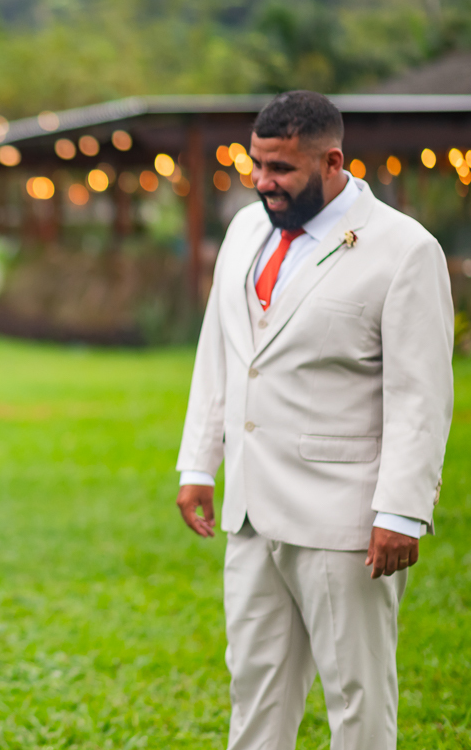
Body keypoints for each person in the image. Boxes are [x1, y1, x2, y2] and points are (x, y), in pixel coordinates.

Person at [175, 90, 454, 750]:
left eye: (280, 169)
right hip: (250, 511)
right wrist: (198, 462)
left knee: (357, 700)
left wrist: (402, 511)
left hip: (345, 520)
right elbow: (222, 351)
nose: (262, 181)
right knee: (255, 689)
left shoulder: (405, 250)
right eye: (256, 163)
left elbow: (421, 394)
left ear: (332, 162)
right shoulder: (245, 229)